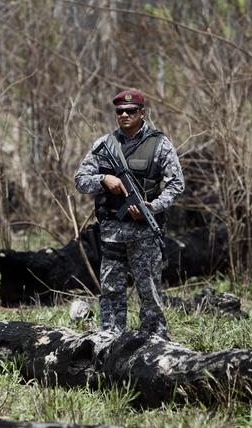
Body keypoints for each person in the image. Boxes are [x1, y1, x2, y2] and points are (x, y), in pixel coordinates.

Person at [74, 89, 184, 339]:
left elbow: (177, 184)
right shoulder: (103, 145)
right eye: (120, 111)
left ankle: (154, 337)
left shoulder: (159, 144)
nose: (124, 115)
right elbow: (80, 181)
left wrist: (152, 207)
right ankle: (110, 337)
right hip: (112, 232)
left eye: (131, 111)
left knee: (150, 291)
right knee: (111, 289)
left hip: (144, 230)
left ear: (142, 113)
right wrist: (104, 180)